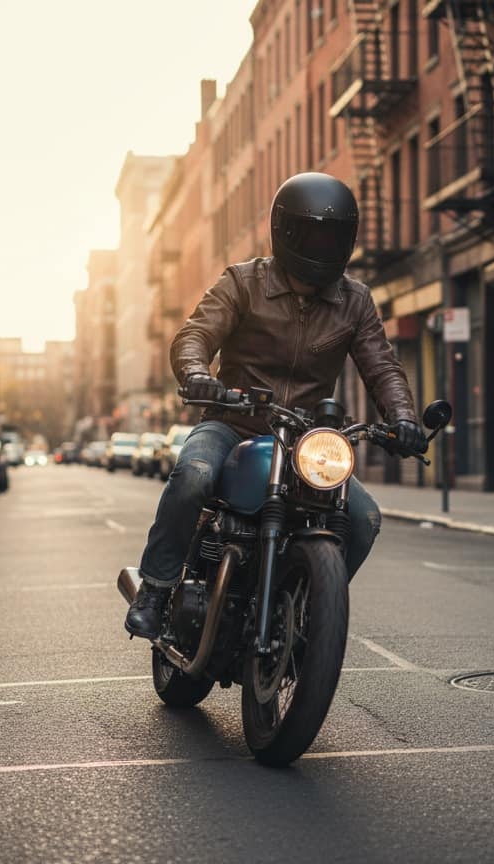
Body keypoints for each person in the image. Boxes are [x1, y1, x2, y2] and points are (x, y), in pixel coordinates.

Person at [125, 172, 427, 639]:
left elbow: (382, 368)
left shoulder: (355, 301)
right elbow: (195, 335)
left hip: (306, 441)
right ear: (286, 230)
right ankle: (157, 588)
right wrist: (198, 375)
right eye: (312, 232)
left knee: (363, 518)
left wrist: (403, 418)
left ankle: (306, 605)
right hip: (232, 423)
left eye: (333, 234)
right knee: (194, 476)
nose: (322, 243)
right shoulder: (243, 282)